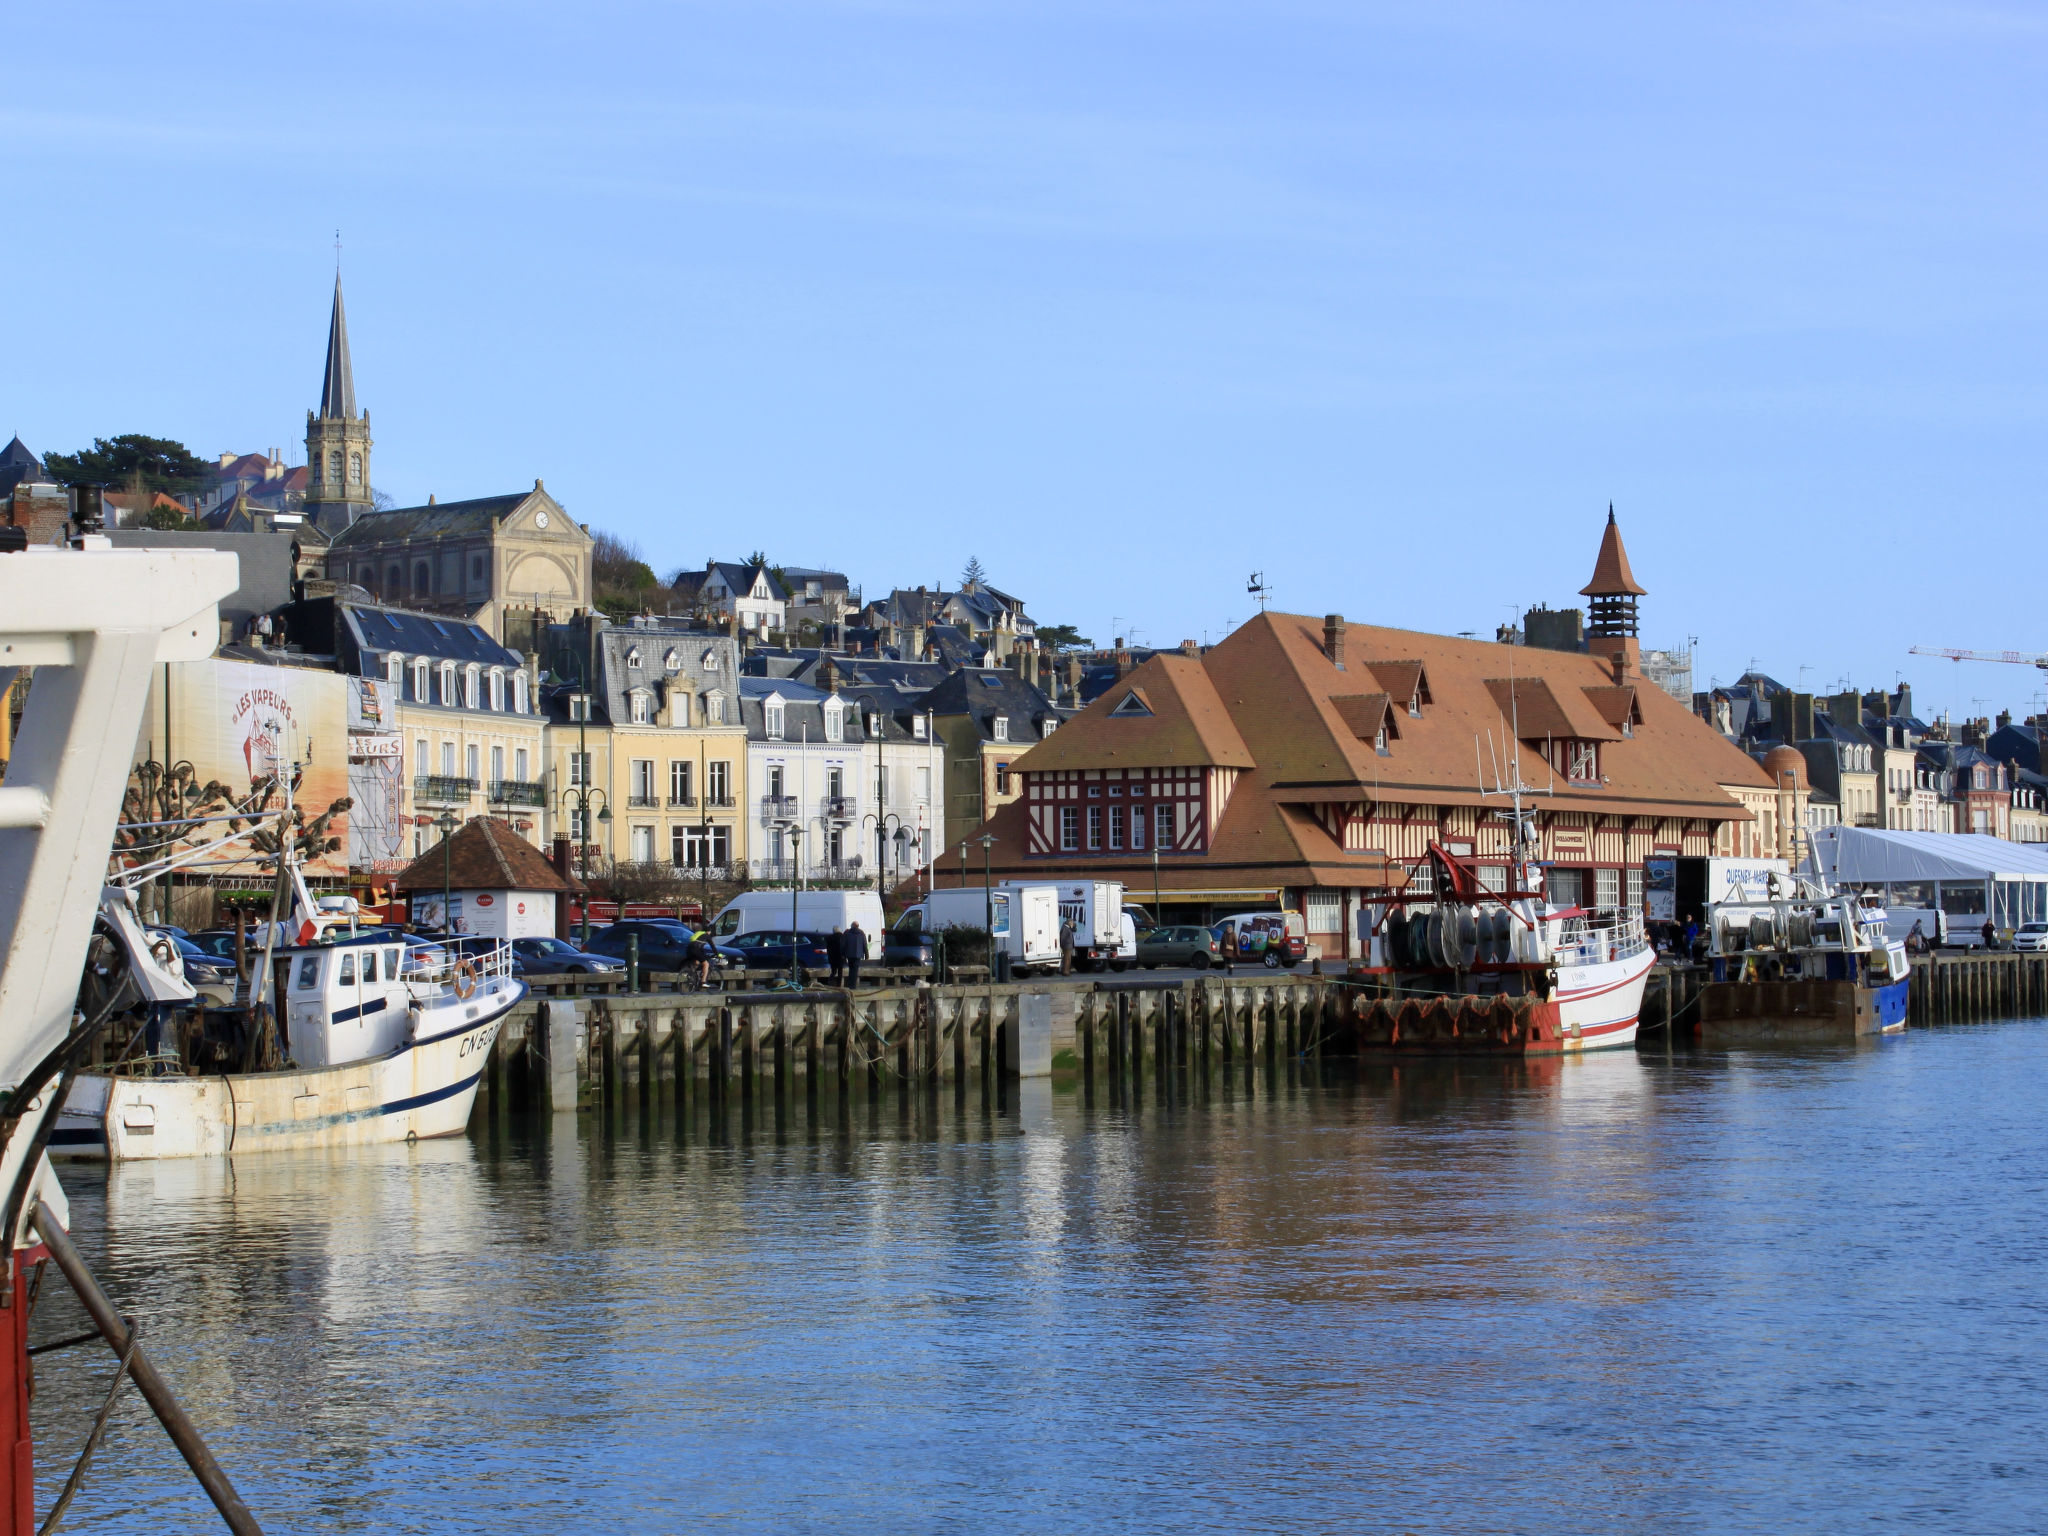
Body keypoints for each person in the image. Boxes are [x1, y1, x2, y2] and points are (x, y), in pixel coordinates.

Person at [842, 921, 868, 990]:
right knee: (855, 970)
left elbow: (843, 945)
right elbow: (865, 944)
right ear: (858, 926)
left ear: (852, 926)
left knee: (851, 970)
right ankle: (853, 986)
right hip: (858, 955)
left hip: (849, 955)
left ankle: (850, 985)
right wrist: (866, 955)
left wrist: (843, 955)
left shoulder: (847, 933)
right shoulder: (861, 933)